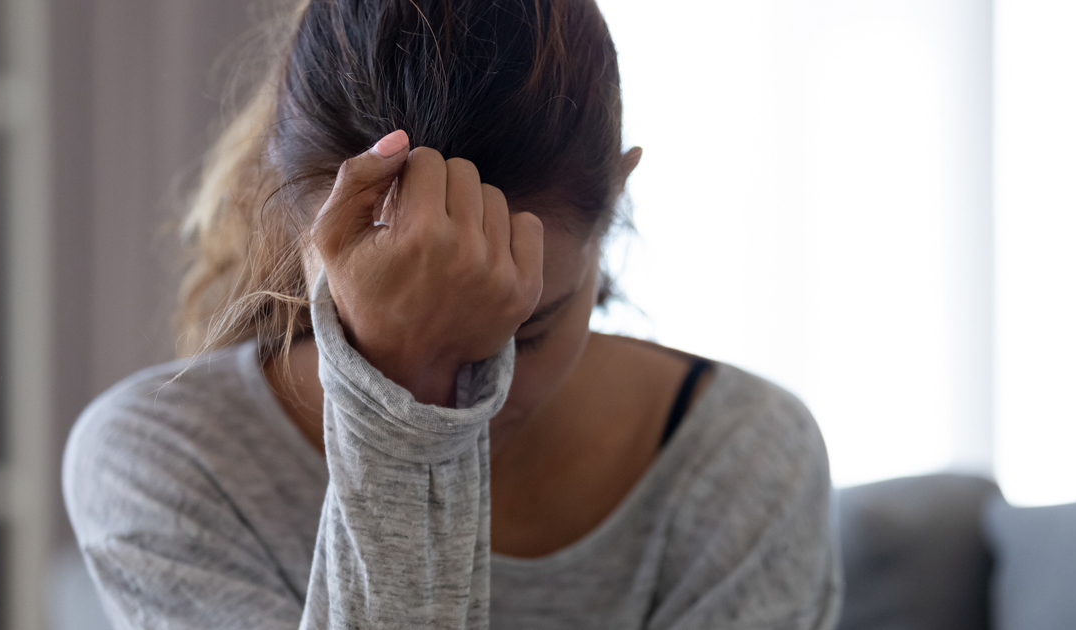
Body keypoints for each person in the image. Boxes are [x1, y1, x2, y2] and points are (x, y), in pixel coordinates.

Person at [62, 0, 841, 628]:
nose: (481, 391)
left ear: (618, 201)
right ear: (304, 232)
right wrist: (396, 413)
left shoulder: (742, 457)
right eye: (375, 309)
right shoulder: (162, 462)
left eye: (522, 331)